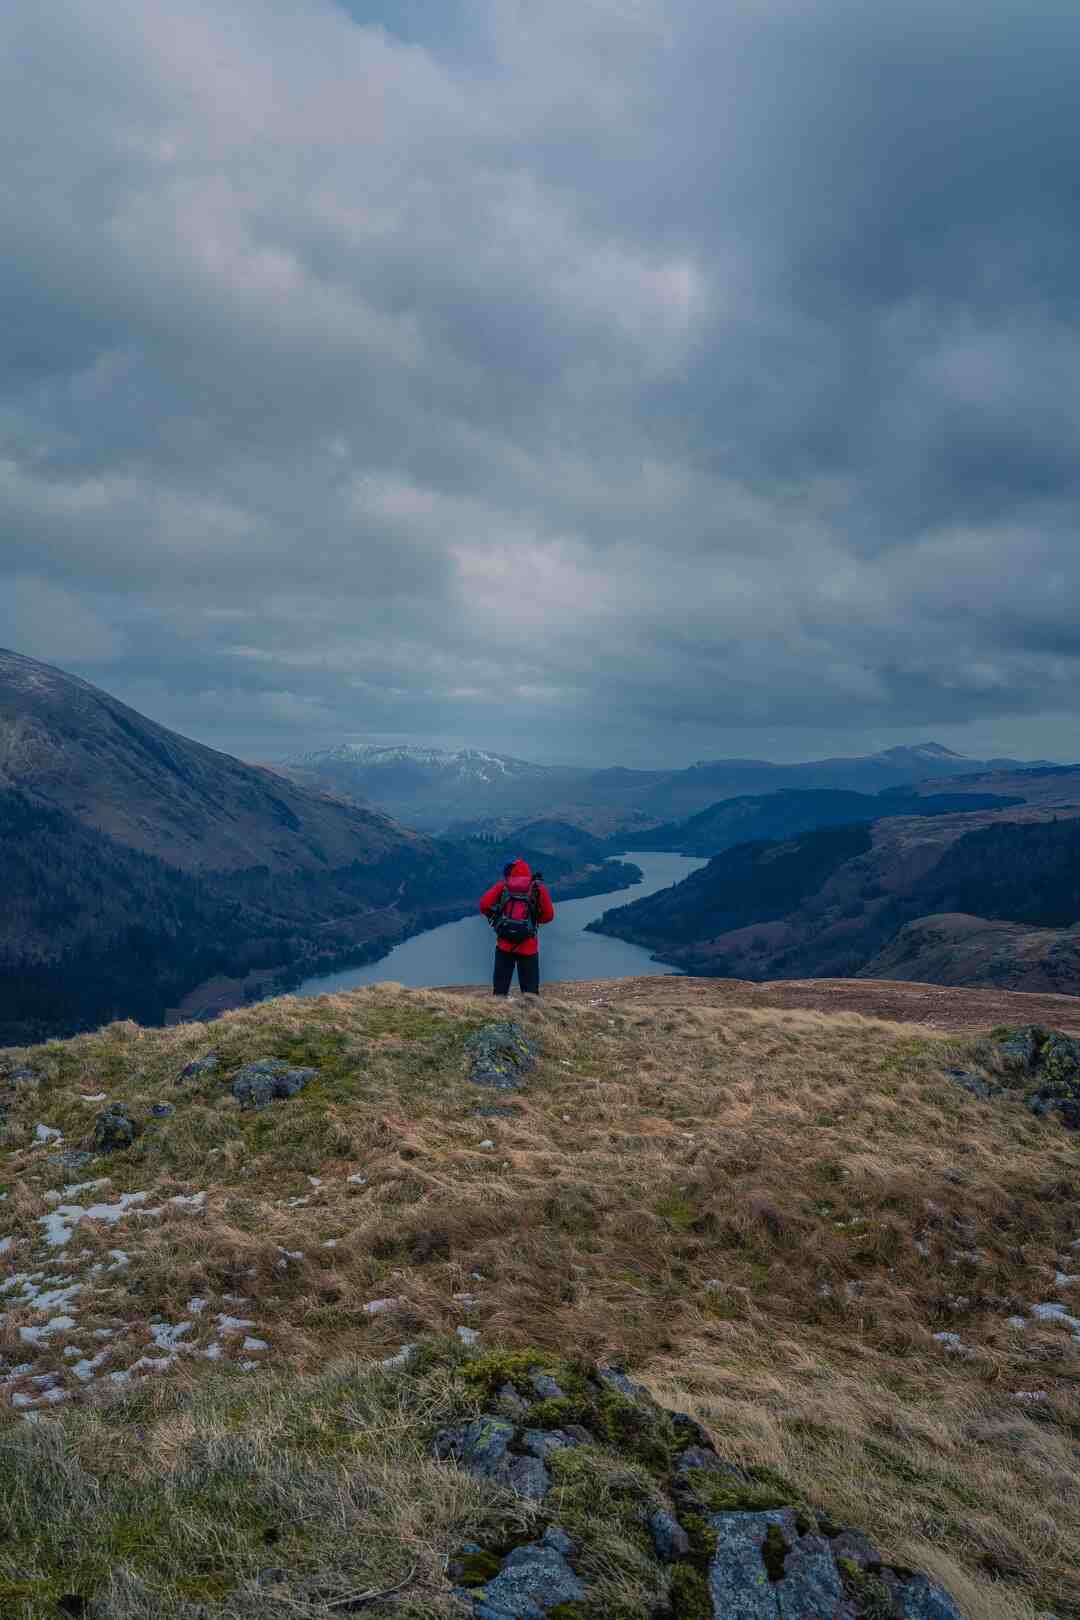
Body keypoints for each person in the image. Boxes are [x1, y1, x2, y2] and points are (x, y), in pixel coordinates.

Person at [479, 857, 555, 996]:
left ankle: (498, 1016)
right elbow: (549, 915)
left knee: (500, 992)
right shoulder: (537, 888)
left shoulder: (503, 886)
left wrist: (496, 919)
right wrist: (534, 921)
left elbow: (484, 904)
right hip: (528, 946)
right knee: (530, 994)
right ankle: (531, 1016)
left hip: (504, 945)